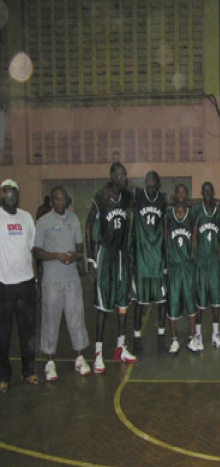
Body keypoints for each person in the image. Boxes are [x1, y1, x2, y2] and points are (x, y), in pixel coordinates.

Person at [85, 162, 137, 373]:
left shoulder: (127, 197)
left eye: (125, 174)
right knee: (103, 306)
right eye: (120, 175)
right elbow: (88, 226)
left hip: (123, 255)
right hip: (106, 254)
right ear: (112, 176)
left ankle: (120, 347)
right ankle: (98, 353)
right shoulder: (101, 197)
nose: (123, 177)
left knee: (123, 303)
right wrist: (91, 259)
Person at [34, 186, 90, 381]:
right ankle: (50, 362)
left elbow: (80, 248)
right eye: (56, 199)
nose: (59, 202)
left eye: (62, 199)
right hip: (51, 280)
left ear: (66, 201)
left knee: (76, 318)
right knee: (50, 320)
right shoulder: (43, 222)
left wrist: (72, 256)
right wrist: (56, 256)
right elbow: (37, 252)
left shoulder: (73, 220)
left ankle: (80, 358)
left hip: (71, 279)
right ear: (52, 201)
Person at [0, 179, 40, 393]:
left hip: (25, 284)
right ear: (1, 194)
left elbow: (33, 249)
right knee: (3, 335)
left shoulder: (26, 218)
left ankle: (29, 372)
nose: (11, 195)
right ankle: (4, 376)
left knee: (27, 333)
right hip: (4, 286)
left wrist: (36, 280)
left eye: (14, 191)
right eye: (6, 191)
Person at [131, 171, 168, 357]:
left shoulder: (163, 200)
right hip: (142, 260)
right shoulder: (137, 196)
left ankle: (161, 337)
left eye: (154, 186)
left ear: (159, 185)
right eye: (148, 185)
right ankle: (136, 338)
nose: (151, 189)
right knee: (140, 303)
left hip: (158, 259)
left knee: (162, 302)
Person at [165, 184, 202, 354]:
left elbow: (194, 239)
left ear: (186, 196)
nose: (180, 194)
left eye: (183, 192)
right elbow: (165, 239)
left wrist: (195, 260)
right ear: (174, 196)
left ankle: (191, 337)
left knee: (190, 302)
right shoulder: (168, 215)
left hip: (187, 265)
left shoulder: (192, 216)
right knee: (173, 302)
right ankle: (174, 339)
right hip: (173, 265)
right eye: (178, 192)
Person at [193, 181, 220, 350]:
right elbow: (194, 235)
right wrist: (195, 257)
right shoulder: (198, 210)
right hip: (201, 261)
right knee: (200, 300)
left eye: (210, 190)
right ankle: (197, 335)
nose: (207, 193)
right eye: (204, 190)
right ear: (201, 192)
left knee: (215, 300)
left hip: (214, 261)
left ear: (213, 192)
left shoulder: (218, 210)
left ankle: (215, 333)